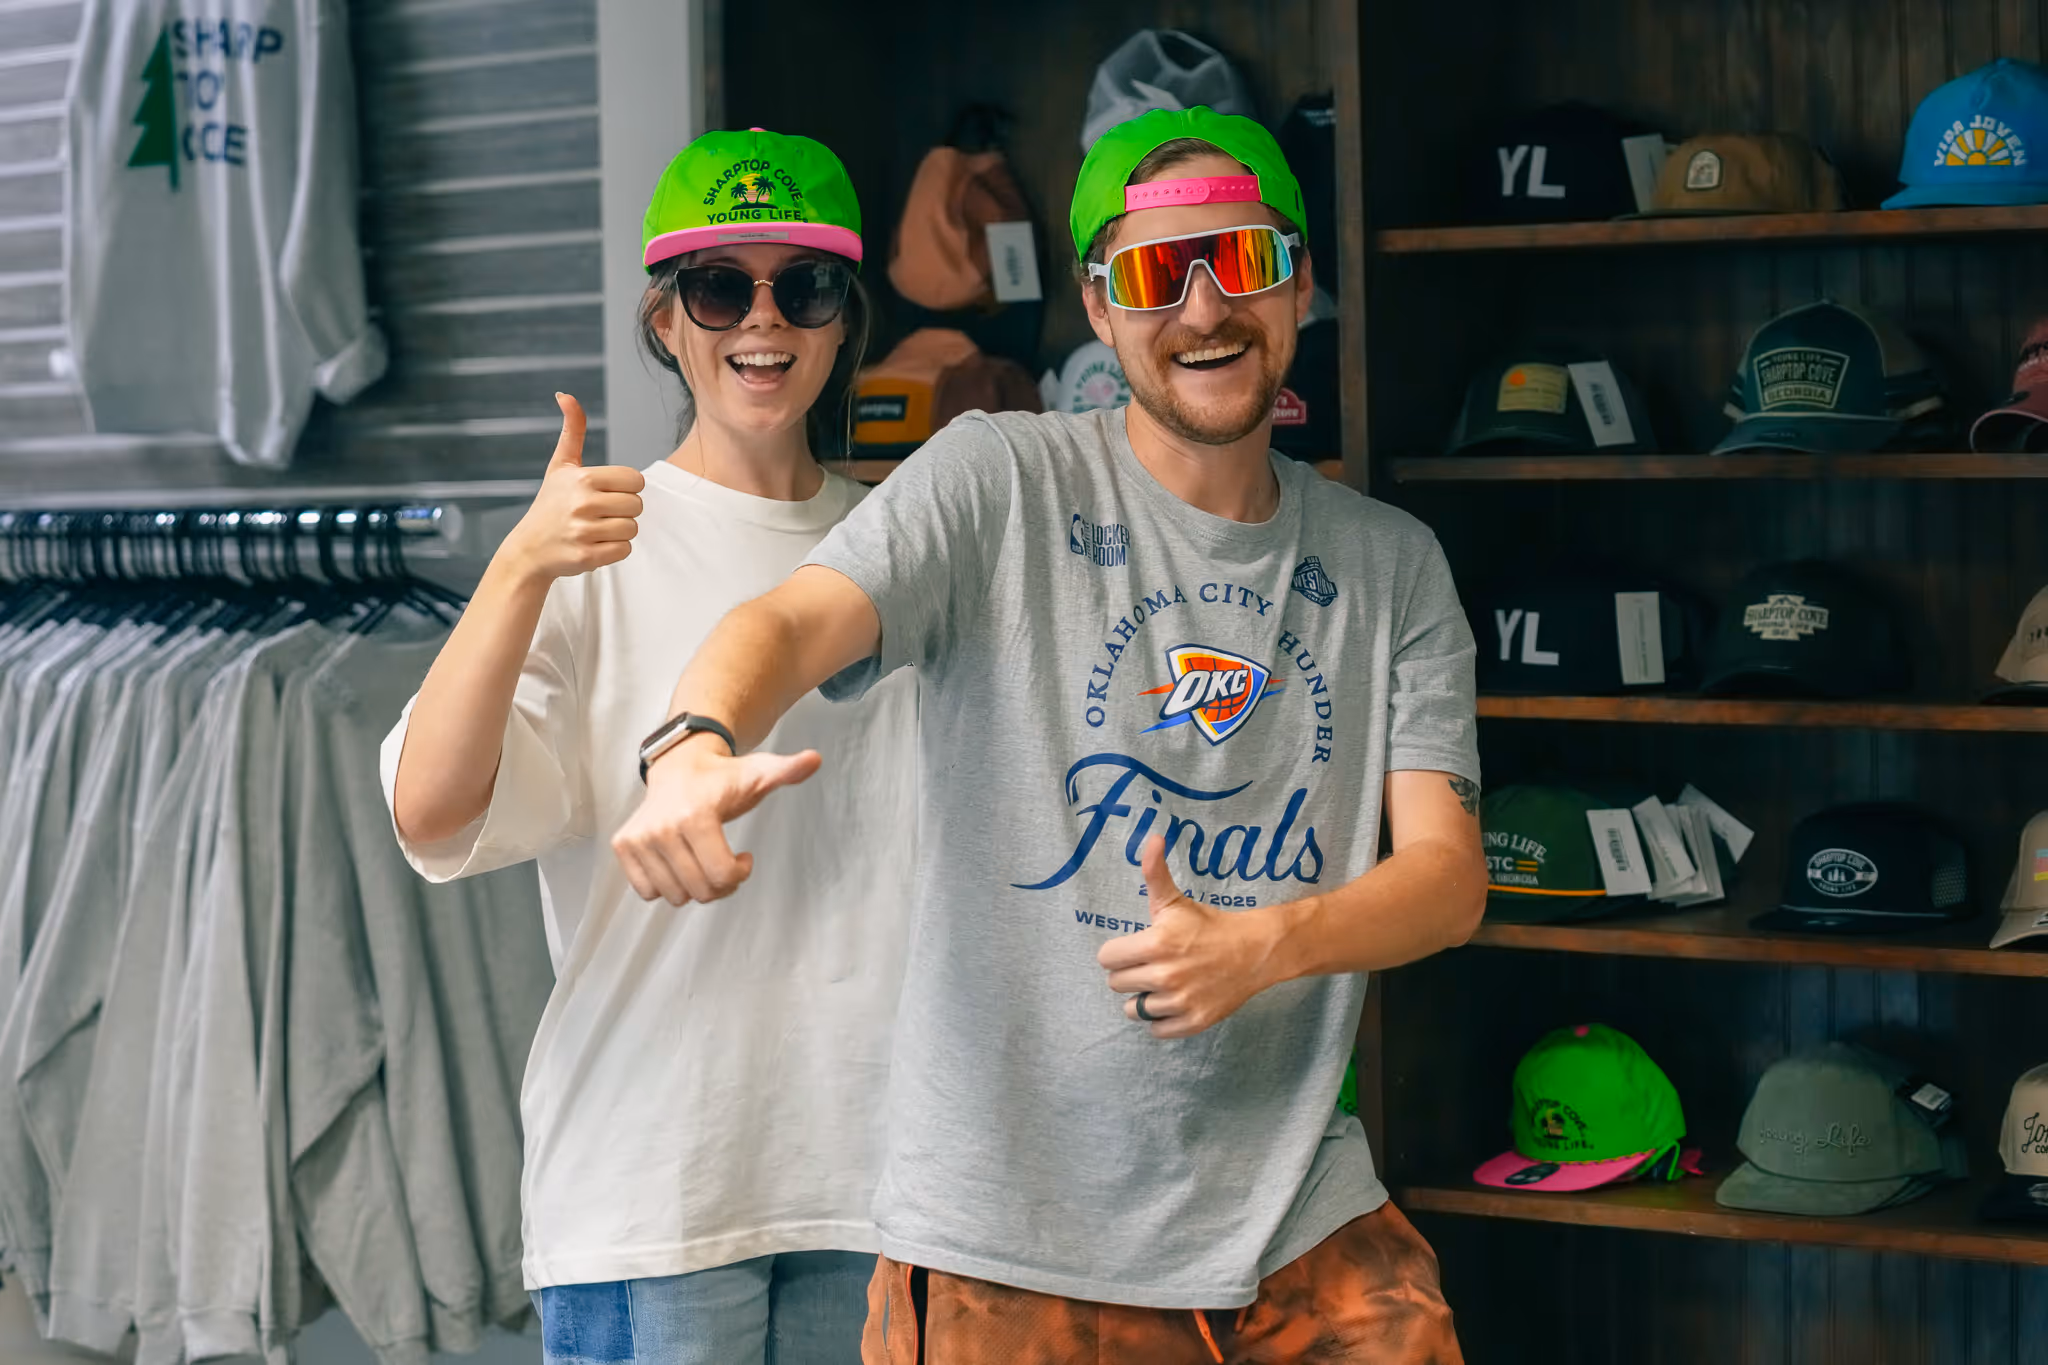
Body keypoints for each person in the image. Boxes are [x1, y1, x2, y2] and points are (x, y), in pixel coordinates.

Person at [612, 107, 1484, 1364]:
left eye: (1239, 260)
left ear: (1298, 283)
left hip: (1297, 1216)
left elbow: (1446, 878)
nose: (1201, 309)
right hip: (1008, 1240)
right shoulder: (996, 480)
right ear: (1096, 308)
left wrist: (1264, 945)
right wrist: (691, 744)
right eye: (1152, 274)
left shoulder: (1390, 564)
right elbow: (792, 620)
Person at [380, 128, 918, 1365]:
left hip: (878, 1177)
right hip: (652, 1186)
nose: (763, 319)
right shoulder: (591, 540)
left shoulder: (903, 545)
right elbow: (430, 812)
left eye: (805, 286)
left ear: (844, 321)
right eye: (720, 287)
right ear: (665, 321)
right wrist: (518, 566)